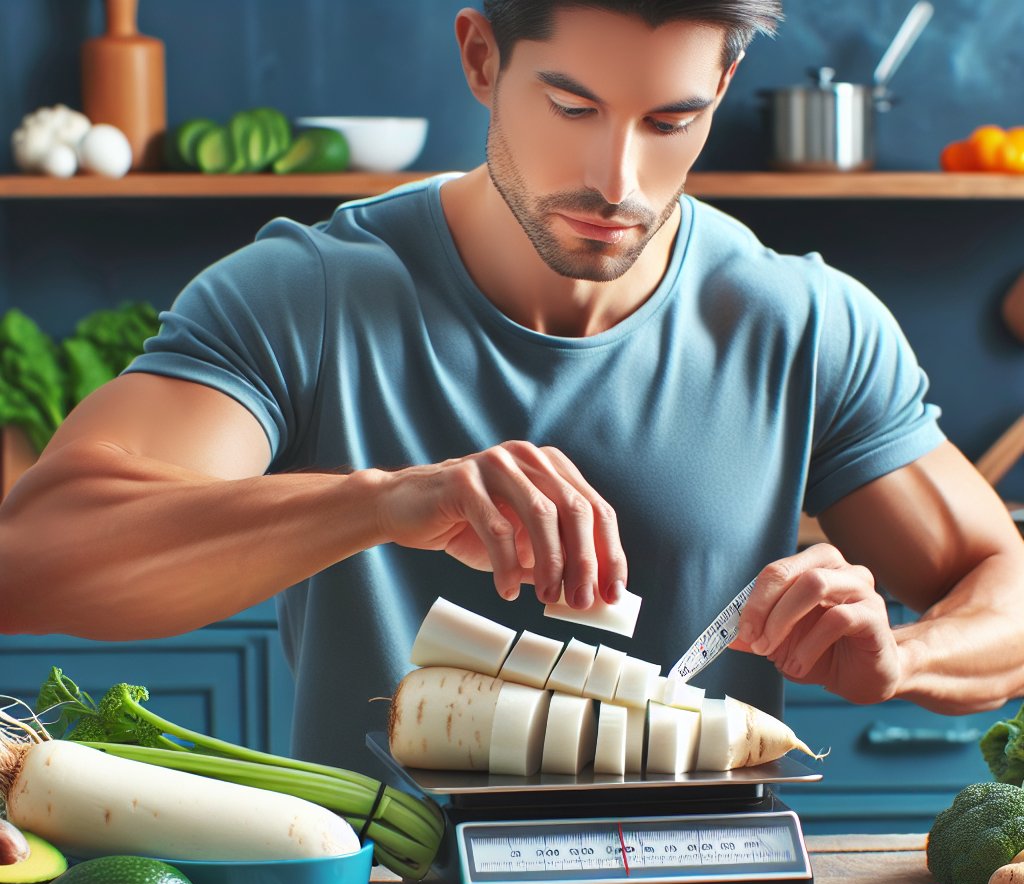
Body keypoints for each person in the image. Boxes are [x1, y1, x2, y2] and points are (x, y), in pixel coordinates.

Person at [1, 0, 1022, 777]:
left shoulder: (800, 321)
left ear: (726, 81)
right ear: (482, 57)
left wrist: (902, 655)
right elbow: (35, 559)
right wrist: (388, 499)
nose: (615, 178)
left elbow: (1001, 585)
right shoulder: (304, 295)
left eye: (670, 118)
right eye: (571, 106)